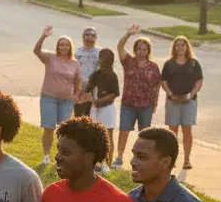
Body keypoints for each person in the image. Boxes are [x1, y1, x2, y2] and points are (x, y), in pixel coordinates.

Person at [33, 25, 82, 166]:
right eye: (61, 45)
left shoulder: (75, 63)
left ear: (70, 47)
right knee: (49, 127)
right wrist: (44, 36)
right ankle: (46, 156)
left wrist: (77, 94)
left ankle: (61, 155)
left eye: (66, 45)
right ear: (57, 47)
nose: (64, 47)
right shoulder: (50, 58)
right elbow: (36, 51)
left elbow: (78, 81)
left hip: (66, 101)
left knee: (64, 131)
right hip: (49, 98)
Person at [115, 24, 161, 168]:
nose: (141, 51)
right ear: (135, 50)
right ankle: (119, 158)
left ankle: (143, 159)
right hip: (128, 104)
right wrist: (128, 34)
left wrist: (155, 103)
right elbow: (119, 47)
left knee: (145, 135)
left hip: (146, 105)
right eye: (139, 48)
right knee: (124, 131)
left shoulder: (153, 66)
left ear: (148, 51)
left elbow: (156, 86)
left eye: (144, 49)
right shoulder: (129, 62)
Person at [161, 35, 203, 171]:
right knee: (172, 131)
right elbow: (163, 81)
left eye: (183, 45)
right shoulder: (169, 63)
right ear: (174, 47)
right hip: (172, 101)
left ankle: (187, 160)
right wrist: (171, 94)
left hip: (189, 101)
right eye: (177, 45)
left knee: (187, 129)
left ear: (187, 47)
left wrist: (191, 94)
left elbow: (199, 81)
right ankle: (172, 160)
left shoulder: (194, 63)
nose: (180, 48)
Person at [87, 49, 120, 171]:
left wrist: (100, 101)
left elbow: (115, 93)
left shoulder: (112, 75)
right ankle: (96, 162)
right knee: (94, 134)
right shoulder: (95, 75)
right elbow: (89, 88)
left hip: (107, 108)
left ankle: (107, 163)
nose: (103, 60)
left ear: (111, 60)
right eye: (101, 57)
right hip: (95, 109)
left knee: (108, 135)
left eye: (107, 58)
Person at [73, 27, 101, 117]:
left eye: (93, 35)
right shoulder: (77, 52)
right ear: (83, 37)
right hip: (80, 87)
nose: (90, 37)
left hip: (95, 88)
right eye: (87, 35)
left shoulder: (100, 52)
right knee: (79, 113)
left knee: (92, 115)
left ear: (96, 38)